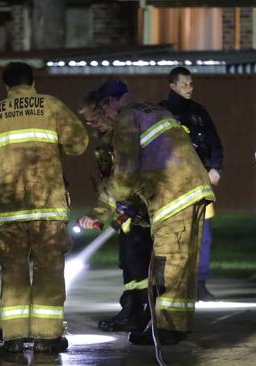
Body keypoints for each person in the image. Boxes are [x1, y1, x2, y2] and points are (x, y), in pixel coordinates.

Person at [87, 79, 215, 345]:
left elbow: (124, 175)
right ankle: (173, 325)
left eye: (103, 109)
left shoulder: (126, 120)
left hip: (174, 197)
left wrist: (99, 212)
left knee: (167, 265)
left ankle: (166, 330)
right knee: (180, 265)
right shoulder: (151, 110)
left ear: (111, 103)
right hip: (189, 192)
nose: (103, 117)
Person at [0, 62, 89, 353]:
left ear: (6, 85)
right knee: (49, 271)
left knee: (13, 272)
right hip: (48, 208)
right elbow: (78, 143)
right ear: (32, 81)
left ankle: (14, 337)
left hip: (10, 209)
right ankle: (47, 336)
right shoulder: (51, 106)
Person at [76, 90, 152, 333]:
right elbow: (113, 187)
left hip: (142, 215)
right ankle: (135, 310)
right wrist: (99, 215)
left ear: (104, 110)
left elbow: (125, 179)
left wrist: (102, 213)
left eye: (92, 119)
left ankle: (143, 314)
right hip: (132, 215)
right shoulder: (112, 140)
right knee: (130, 264)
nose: (91, 126)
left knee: (138, 266)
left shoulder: (123, 137)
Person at [158, 66, 224, 301]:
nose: (189, 88)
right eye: (184, 84)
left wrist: (216, 168)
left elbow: (215, 142)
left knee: (203, 236)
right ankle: (171, 283)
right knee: (173, 235)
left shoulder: (199, 112)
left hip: (199, 183)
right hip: (171, 186)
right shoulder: (162, 112)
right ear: (172, 85)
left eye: (191, 84)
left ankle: (199, 283)